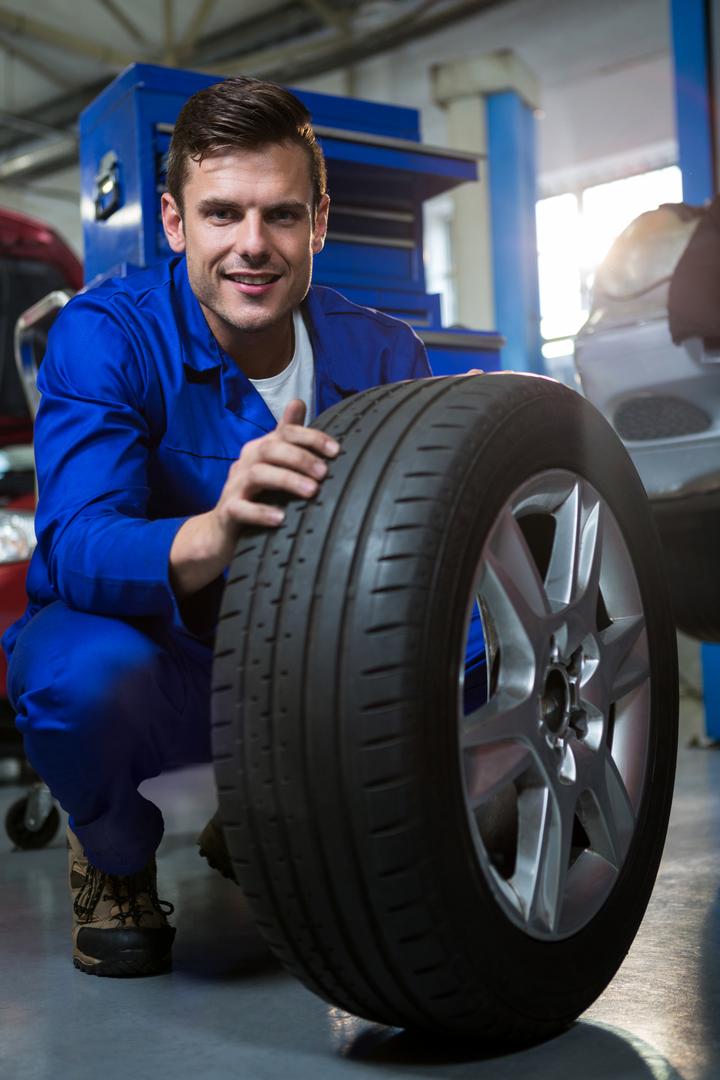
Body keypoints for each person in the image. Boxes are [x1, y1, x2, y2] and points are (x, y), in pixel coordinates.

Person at [2, 76, 431, 978]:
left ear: (319, 223)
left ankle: (275, 810)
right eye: (222, 214)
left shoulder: (386, 354)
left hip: (302, 666)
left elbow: (421, 555)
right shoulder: (104, 336)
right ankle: (114, 854)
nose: (252, 247)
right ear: (173, 221)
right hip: (161, 660)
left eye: (280, 216)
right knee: (80, 679)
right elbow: (75, 546)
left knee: (460, 653)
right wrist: (215, 528)